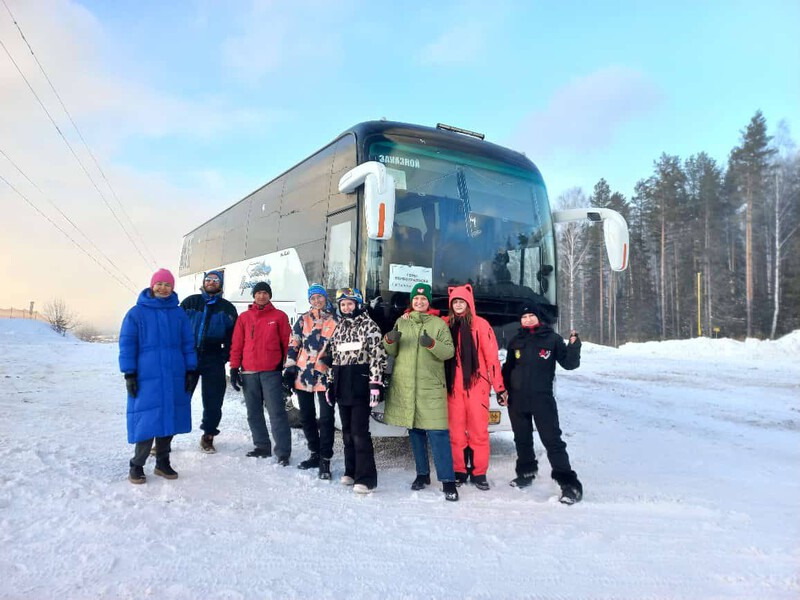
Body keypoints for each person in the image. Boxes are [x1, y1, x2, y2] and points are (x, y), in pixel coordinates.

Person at [119, 268, 198, 484]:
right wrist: (129, 373)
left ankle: (163, 462)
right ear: (152, 286)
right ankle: (137, 465)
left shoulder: (179, 313)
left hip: (174, 373)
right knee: (147, 420)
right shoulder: (136, 313)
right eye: (159, 284)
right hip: (147, 376)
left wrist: (191, 369)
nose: (163, 288)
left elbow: (188, 344)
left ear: (172, 288)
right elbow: (127, 344)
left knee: (169, 418)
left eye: (167, 285)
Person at [383, 282, 459, 501]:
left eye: (423, 299)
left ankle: (448, 481)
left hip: (430, 387)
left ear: (428, 302)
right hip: (407, 386)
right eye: (416, 299)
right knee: (415, 433)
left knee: (438, 434)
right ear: (412, 301)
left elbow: (448, 352)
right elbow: (391, 349)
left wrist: (432, 343)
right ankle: (422, 475)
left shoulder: (438, 324)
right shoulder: (402, 322)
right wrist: (390, 339)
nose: (419, 302)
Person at [500, 304, 583, 504]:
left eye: (531, 316)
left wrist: (574, 346)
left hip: (542, 399)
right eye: (524, 316)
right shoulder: (515, 340)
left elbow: (569, 364)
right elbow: (508, 368)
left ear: (539, 318)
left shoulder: (552, 339)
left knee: (552, 441)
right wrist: (502, 391)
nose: (527, 319)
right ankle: (526, 473)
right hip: (517, 398)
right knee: (521, 439)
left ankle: (569, 485)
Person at [442, 283, 507, 491]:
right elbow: (424, 319)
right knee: (456, 432)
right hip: (453, 387)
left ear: (468, 303)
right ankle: (459, 470)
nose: (459, 305)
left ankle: (479, 473)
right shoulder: (445, 324)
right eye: (455, 302)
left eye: (462, 301)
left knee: (479, 432)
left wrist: (499, 387)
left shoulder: (481, 325)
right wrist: (408, 315)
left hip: (477, 386)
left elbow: (492, 360)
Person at [324, 288, 387, 494]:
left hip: (361, 385)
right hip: (342, 385)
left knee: (360, 433)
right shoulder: (339, 328)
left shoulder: (369, 326)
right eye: (343, 304)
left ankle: (366, 478)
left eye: (350, 303)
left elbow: (378, 357)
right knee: (347, 433)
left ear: (358, 304)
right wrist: (330, 384)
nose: (346, 307)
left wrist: (375, 383)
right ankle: (351, 471)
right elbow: (333, 358)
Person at [228, 281, 292, 465]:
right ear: (253, 295)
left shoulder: (279, 316)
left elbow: (287, 343)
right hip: (248, 372)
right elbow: (237, 344)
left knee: (276, 412)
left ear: (270, 295)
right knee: (253, 412)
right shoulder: (244, 318)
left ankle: (283, 452)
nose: (261, 296)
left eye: (265, 292)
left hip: (271, 372)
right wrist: (234, 368)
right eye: (258, 293)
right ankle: (262, 446)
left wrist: (286, 367)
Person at [283, 284, 339, 479]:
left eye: (320, 297)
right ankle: (314, 452)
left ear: (325, 298)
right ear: (309, 301)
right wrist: (289, 367)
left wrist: (333, 360)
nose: (317, 301)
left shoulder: (336, 319)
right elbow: (294, 343)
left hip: (326, 375)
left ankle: (325, 459)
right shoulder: (303, 319)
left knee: (326, 418)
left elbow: (340, 345)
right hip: (303, 374)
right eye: (313, 298)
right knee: (306, 416)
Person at [180, 269, 238, 454]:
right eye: (208, 279)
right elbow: (176, 328)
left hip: (213, 358)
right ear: (204, 282)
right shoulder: (190, 302)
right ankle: (165, 439)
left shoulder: (227, 308)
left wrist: (224, 356)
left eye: (215, 280)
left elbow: (233, 337)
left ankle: (208, 436)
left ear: (220, 284)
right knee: (179, 397)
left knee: (213, 400)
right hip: (188, 357)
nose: (211, 282)